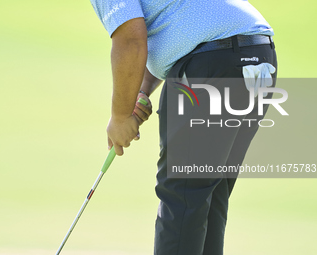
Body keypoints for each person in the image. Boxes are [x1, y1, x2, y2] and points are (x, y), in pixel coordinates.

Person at [89, 1, 277, 254]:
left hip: (210, 63)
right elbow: (179, 30)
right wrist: (141, 91)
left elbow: (131, 40)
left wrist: (121, 117)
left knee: (184, 198)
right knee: (208, 196)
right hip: (259, 57)